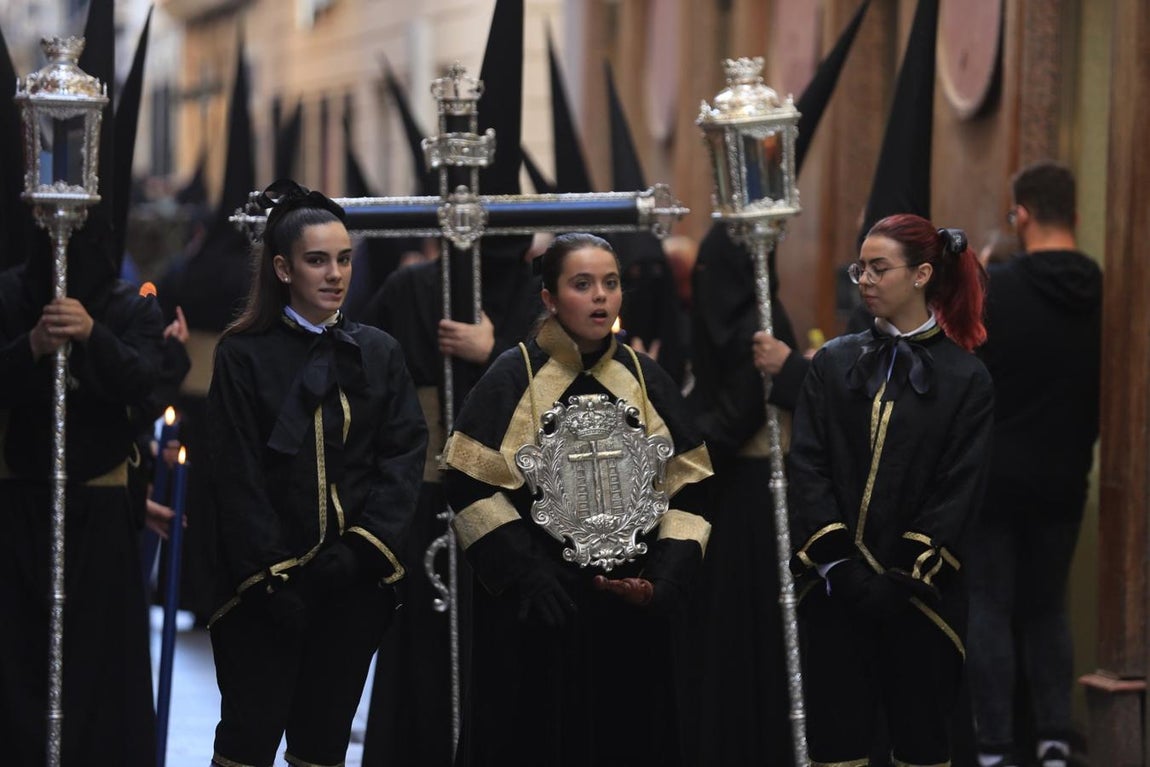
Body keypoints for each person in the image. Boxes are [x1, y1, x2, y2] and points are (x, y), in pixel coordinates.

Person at [441, 232, 713, 767]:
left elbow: (693, 479)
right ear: (549, 298)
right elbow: (467, 481)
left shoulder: (642, 376)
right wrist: (526, 573)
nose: (600, 297)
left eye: (610, 284)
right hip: (537, 616)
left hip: (628, 615)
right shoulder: (513, 375)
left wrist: (663, 580)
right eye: (582, 284)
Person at [204, 180, 427, 767]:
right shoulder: (242, 354)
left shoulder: (378, 352)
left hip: (352, 588)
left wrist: (360, 552)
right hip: (265, 591)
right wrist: (270, 575)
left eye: (345, 259)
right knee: (248, 736)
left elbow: (403, 455)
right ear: (283, 268)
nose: (335, 274)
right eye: (317, 260)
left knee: (324, 741)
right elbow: (234, 472)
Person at [787, 214, 995, 767]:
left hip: (921, 602)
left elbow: (958, 490)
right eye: (861, 268)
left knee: (920, 743)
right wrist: (840, 567)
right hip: (835, 595)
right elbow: (807, 464)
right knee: (837, 745)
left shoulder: (965, 379)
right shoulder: (833, 364)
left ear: (923, 273)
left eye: (880, 269)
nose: (865, 280)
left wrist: (898, 579)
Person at [0, 223, 164, 766]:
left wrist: (93, 334)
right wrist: (33, 345)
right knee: (21, 656)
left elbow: (144, 383)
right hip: (21, 505)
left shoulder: (132, 305)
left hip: (101, 509)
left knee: (99, 661)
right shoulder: (8, 294)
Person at [966, 162, 1102, 767]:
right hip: (1067, 472)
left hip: (997, 476)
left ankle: (994, 744)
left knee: (990, 605)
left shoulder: (1001, 287)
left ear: (1020, 214)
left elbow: (969, 374)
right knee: (1049, 607)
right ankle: (1052, 738)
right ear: (1074, 215)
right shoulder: (1104, 289)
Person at [685, 224, 810, 766]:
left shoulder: (761, 326)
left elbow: (732, 422)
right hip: (728, 493)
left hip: (754, 501)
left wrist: (667, 445)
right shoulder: (727, 324)